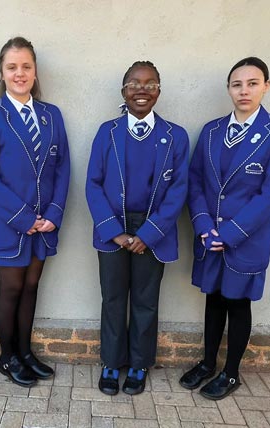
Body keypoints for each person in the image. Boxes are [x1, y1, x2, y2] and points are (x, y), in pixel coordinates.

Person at [180, 57, 270, 400]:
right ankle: (207, 363)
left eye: (252, 83)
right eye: (237, 84)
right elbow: (195, 181)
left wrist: (229, 234)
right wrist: (204, 225)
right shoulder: (212, 130)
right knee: (213, 300)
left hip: (246, 239)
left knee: (238, 303)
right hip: (210, 236)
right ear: (229, 89)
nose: (244, 91)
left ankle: (231, 373)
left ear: (266, 86)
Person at [0, 37, 70, 388]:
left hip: (44, 223)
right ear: (1, 72)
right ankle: (7, 357)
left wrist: (54, 213)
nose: (19, 73)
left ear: (35, 70)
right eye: (12, 67)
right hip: (8, 222)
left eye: (26, 66)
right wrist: (24, 218)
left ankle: (26, 353)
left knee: (31, 286)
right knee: (11, 289)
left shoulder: (51, 115)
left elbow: (62, 167)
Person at [86, 61, 189, 395]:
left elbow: (178, 191)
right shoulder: (108, 132)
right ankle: (111, 361)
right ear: (123, 91)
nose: (141, 89)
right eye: (134, 83)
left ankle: (139, 364)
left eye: (150, 83)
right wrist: (114, 231)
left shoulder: (175, 136)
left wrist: (148, 234)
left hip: (153, 228)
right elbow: (93, 184)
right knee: (113, 298)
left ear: (158, 90)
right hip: (113, 227)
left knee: (146, 300)